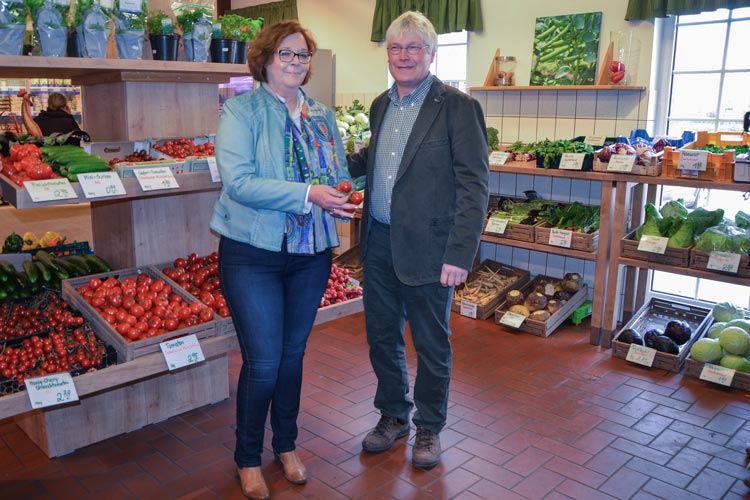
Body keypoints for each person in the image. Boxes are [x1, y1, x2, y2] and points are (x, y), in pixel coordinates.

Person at [209, 20, 356, 500]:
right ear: (265, 60)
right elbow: (240, 183)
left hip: (311, 253)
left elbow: (336, 171)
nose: (296, 63)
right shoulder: (241, 111)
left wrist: (340, 193)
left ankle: (287, 446)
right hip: (253, 253)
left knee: (293, 357)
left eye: (303, 55)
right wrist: (309, 193)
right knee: (265, 361)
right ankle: (248, 457)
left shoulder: (321, 115)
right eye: (286, 55)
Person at [347, 11, 489, 469]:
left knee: (431, 344)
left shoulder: (457, 107)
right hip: (380, 243)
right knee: (381, 337)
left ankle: (429, 426)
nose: (403, 56)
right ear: (386, 54)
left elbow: (474, 185)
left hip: (431, 249)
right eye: (394, 47)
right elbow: (376, 159)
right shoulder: (380, 106)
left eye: (413, 47)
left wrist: (460, 252)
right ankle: (393, 415)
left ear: (431, 53)